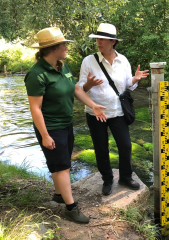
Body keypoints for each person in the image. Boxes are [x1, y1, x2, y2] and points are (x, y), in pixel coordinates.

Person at [24, 27, 107, 224]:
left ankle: (59, 195)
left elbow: (76, 88)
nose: (66, 48)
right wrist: (44, 135)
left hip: (66, 124)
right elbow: (35, 109)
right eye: (63, 45)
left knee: (58, 163)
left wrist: (93, 105)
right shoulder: (37, 75)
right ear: (53, 48)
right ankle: (71, 208)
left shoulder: (63, 67)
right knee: (62, 166)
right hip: (50, 127)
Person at [77, 23, 149, 195]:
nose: (99, 42)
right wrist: (89, 84)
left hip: (117, 112)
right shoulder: (88, 61)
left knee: (125, 146)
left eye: (103, 39)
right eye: (97, 39)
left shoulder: (122, 60)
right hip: (96, 114)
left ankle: (125, 177)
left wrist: (135, 79)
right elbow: (80, 89)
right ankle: (107, 179)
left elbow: (126, 86)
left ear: (113, 42)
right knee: (101, 149)